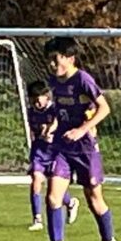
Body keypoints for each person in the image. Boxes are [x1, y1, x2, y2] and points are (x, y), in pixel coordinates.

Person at [41, 36, 118, 241]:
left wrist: (82, 129)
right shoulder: (53, 81)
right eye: (49, 60)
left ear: (70, 58)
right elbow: (60, 109)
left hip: (85, 147)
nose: (52, 64)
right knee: (53, 197)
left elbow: (104, 108)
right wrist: (52, 125)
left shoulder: (83, 79)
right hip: (63, 147)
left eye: (55, 59)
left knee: (94, 200)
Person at [26, 80, 79, 231]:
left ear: (46, 96)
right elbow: (35, 129)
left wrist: (51, 130)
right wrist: (41, 132)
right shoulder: (31, 112)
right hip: (39, 150)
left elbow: (57, 122)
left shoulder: (55, 109)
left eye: (39, 98)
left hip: (56, 151)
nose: (37, 102)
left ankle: (70, 203)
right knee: (36, 178)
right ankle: (37, 219)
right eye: (34, 99)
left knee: (54, 186)